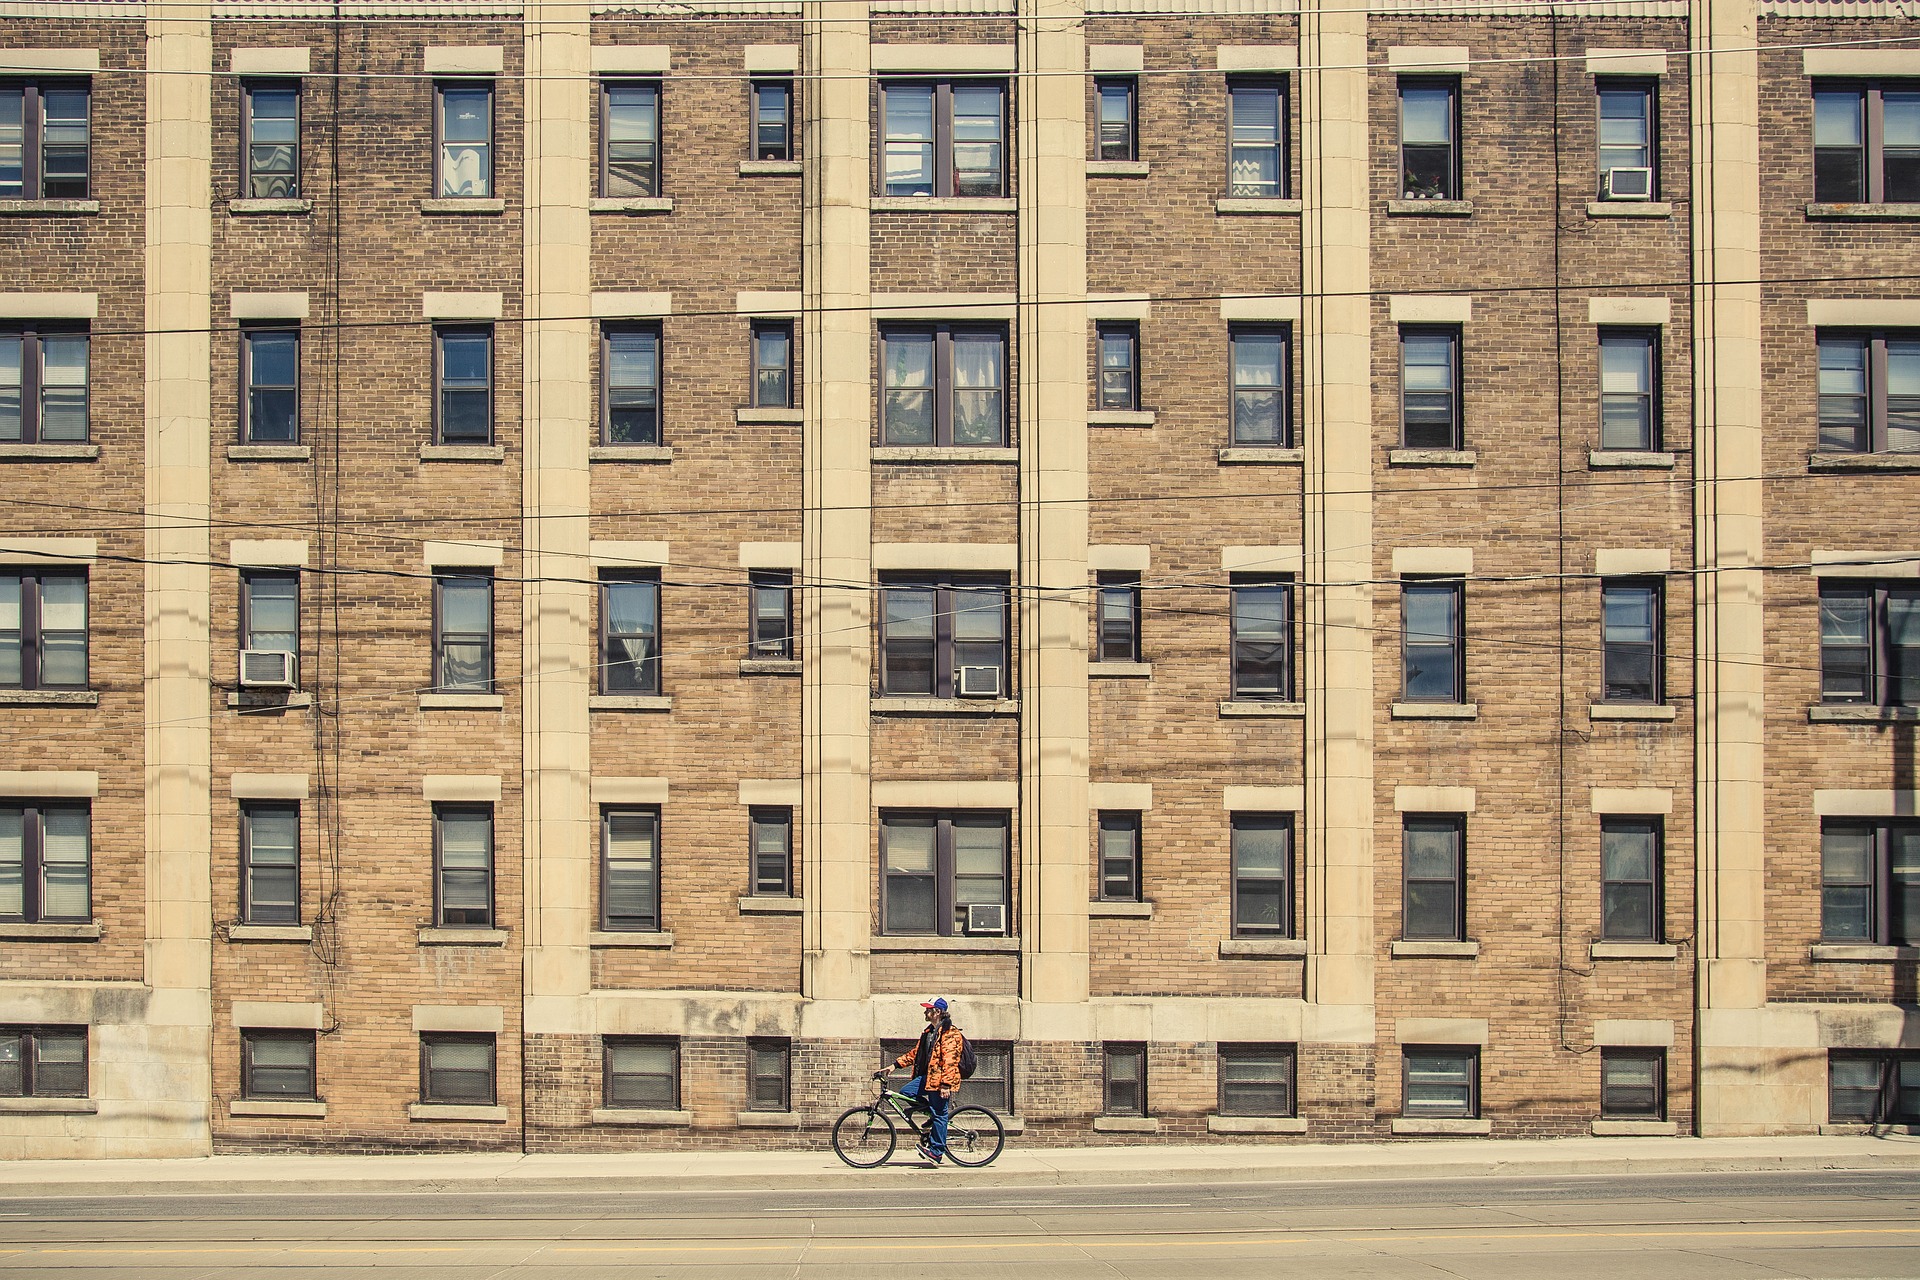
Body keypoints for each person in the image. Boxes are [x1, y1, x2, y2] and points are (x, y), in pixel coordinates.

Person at [873, 996, 964, 1164]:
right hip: (929, 1077)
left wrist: (946, 1084)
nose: (925, 1012)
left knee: (940, 1114)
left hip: (940, 1080)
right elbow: (915, 1054)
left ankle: (936, 1152)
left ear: (937, 1012)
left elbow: (951, 1061)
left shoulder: (950, 1033)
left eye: (928, 1009)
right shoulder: (929, 1032)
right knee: (906, 1092)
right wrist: (894, 1065)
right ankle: (931, 1113)